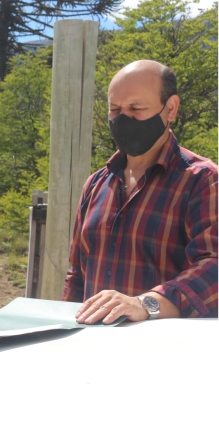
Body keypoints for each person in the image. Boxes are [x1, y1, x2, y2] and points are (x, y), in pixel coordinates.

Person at [63, 60, 217, 324]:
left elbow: (213, 266)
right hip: (89, 349)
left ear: (171, 109)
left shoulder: (202, 180)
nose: (124, 119)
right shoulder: (96, 184)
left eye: (136, 108)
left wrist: (145, 303)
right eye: (115, 109)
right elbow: (77, 274)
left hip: (165, 354)